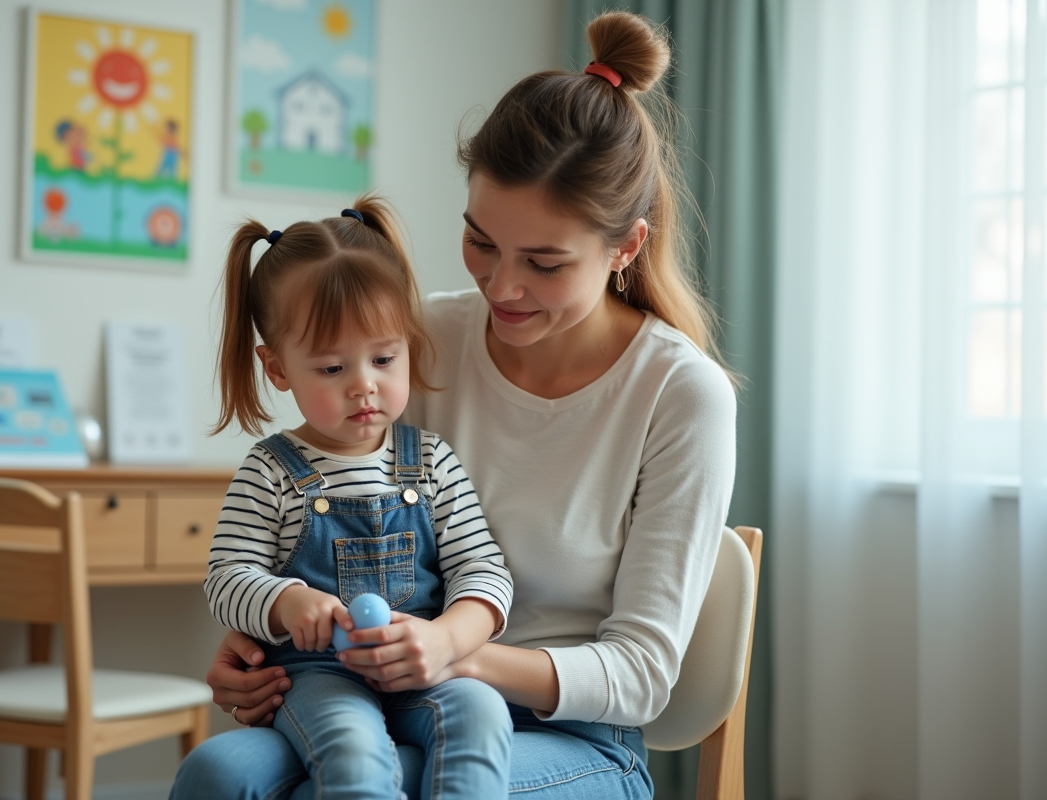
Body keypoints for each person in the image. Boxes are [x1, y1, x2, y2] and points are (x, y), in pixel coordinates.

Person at [172, 10, 737, 799]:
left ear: (626, 248)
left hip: (574, 736)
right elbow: (336, 516)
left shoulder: (679, 395)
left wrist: (451, 652)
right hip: (385, 691)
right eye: (481, 241)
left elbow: (641, 676)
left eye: (543, 263)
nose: (502, 286)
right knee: (216, 775)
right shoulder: (416, 341)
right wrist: (261, 640)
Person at [204, 195, 516, 799]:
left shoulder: (431, 461)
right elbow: (226, 577)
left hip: (423, 663)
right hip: (320, 676)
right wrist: (286, 602)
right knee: (355, 751)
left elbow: (483, 570)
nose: (363, 385)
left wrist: (448, 636)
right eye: (330, 369)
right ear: (278, 369)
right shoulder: (271, 471)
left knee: (481, 714)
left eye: (382, 357)